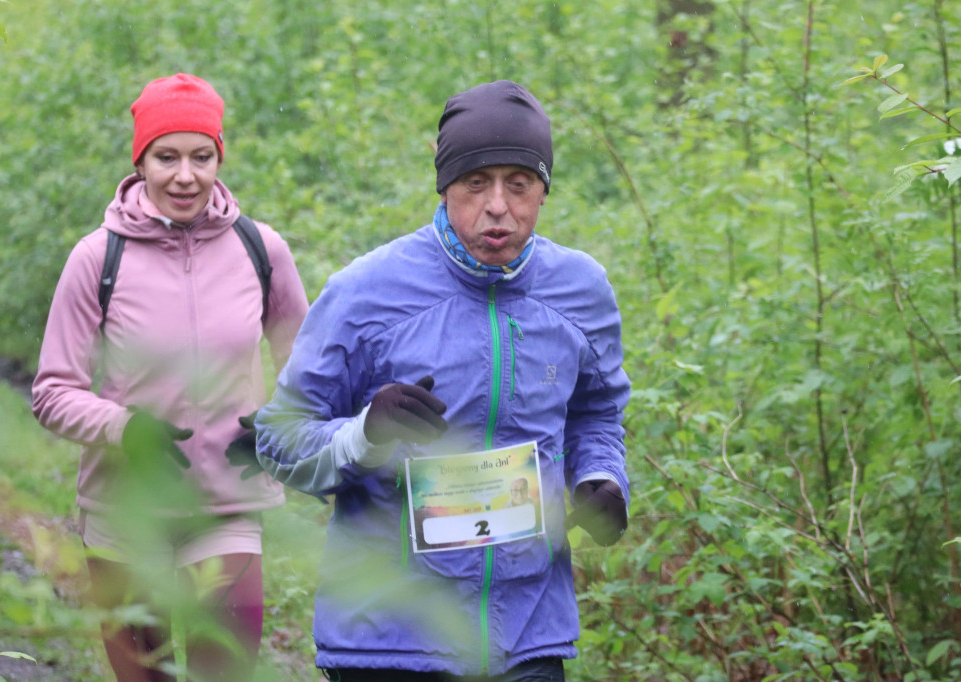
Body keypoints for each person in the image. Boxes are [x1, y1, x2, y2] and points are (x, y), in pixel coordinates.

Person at [255, 80, 631, 682]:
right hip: (387, 640)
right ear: (445, 186)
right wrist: (363, 436)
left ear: (544, 190)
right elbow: (278, 438)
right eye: (476, 182)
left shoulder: (580, 292)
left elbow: (597, 416)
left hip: (527, 639)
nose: (498, 206)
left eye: (520, 183)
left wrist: (601, 478)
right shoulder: (366, 292)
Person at [31, 73, 309, 682]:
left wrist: (277, 422)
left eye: (201, 156)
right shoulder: (97, 258)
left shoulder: (262, 250)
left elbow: (307, 371)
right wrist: (124, 428)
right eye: (167, 157)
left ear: (219, 158)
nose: (185, 175)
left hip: (228, 503)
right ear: (141, 160)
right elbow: (52, 391)